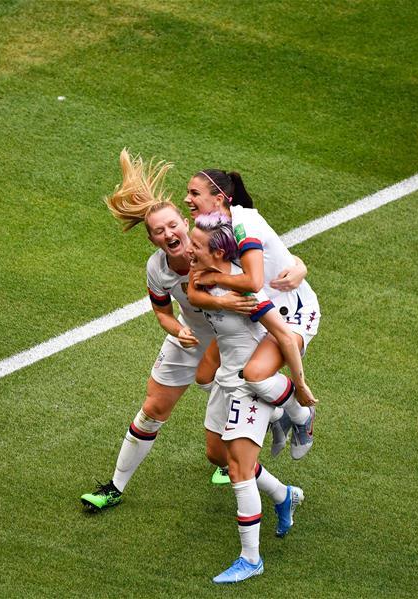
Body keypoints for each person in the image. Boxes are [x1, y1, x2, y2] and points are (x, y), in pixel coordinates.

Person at [81, 150, 261, 512]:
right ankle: (114, 487)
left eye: (173, 225)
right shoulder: (157, 268)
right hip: (191, 338)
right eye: (159, 231)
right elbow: (162, 313)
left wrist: (298, 268)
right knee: (152, 408)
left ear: (184, 221)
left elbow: (264, 267)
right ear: (153, 240)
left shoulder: (219, 240)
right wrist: (178, 330)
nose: (169, 233)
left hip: (234, 342)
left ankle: (268, 455)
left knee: (220, 452)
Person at [189, 213, 317, 584]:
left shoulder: (245, 291)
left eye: (197, 246)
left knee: (240, 471)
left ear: (217, 252)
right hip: (227, 381)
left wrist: (300, 384)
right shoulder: (205, 278)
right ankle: (283, 495)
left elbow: (283, 334)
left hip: (249, 387)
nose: (190, 250)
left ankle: (250, 559)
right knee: (218, 455)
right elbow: (221, 333)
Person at [185, 169, 321, 459]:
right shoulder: (210, 229)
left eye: (194, 193)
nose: (187, 199)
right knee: (206, 376)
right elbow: (194, 288)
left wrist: (217, 281)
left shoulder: (243, 224)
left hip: (292, 315)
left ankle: (299, 414)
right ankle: (274, 415)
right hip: (257, 313)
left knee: (254, 375)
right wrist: (221, 302)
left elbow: (253, 282)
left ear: (219, 198)